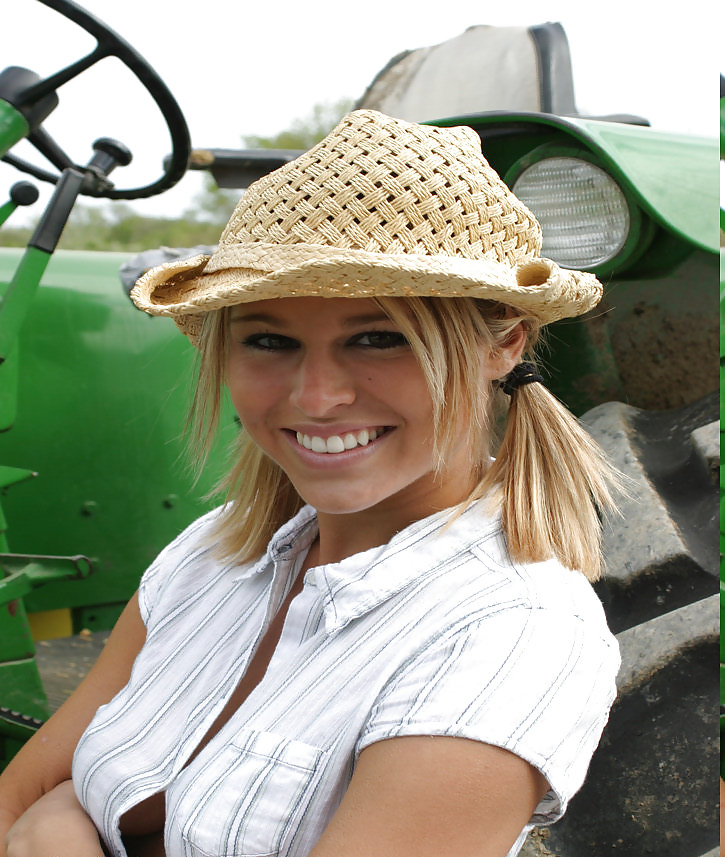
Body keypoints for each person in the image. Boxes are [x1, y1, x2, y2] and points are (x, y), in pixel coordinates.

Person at [0, 109, 620, 857]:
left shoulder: (511, 632)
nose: (317, 397)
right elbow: (25, 792)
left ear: (504, 343)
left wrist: (60, 831)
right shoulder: (211, 554)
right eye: (269, 339)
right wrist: (50, 811)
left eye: (379, 337)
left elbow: (38, 813)